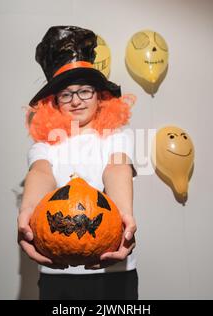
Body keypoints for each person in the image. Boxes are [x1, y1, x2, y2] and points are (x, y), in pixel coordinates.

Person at [17, 26, 138, 300]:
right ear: (54, 102)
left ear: (100, 95)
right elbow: (41, 172)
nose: (76, 100)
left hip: (114, 268)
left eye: (85, 91)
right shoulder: (46, 145)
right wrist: (27, 209)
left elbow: (117, 167)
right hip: (57, 271)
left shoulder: (116, 138)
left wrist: (124, 217)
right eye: (66, 94)